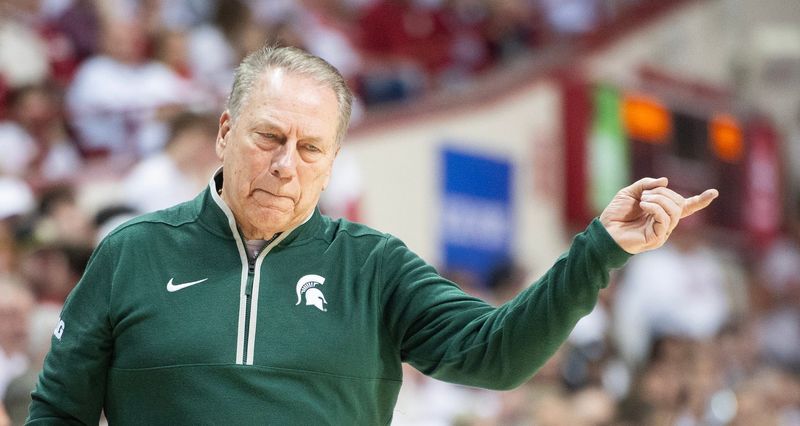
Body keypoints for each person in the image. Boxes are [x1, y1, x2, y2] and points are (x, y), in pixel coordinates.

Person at [26, 45, 718, 424]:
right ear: (226, 133)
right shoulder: (132, 252)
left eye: (310, 148)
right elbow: (59, 415)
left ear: (332, 163)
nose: (285, 164)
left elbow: (497, 357)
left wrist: (600, 249)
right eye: (269, 136)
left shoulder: (374, 265)